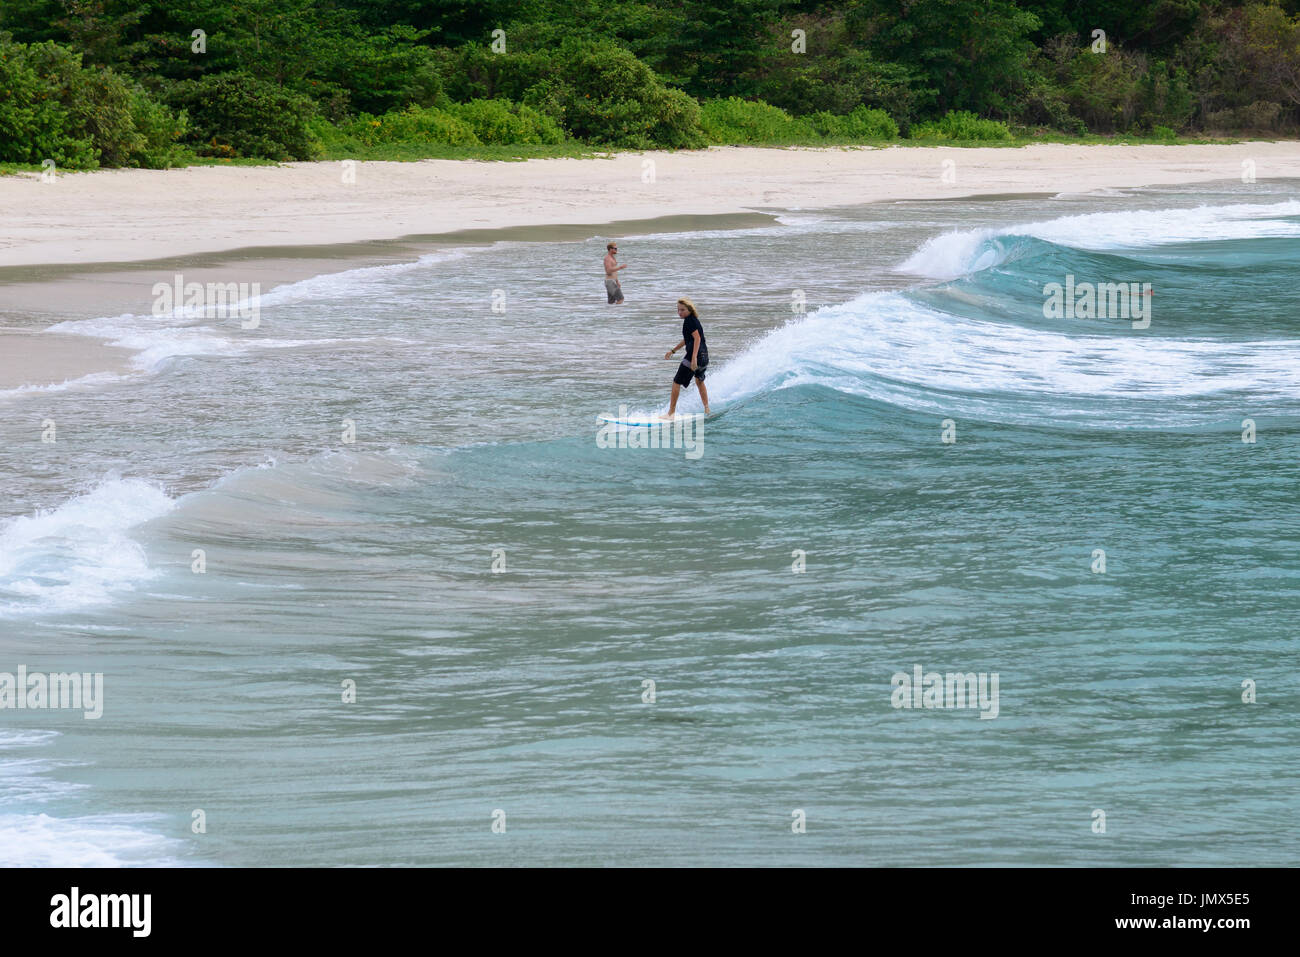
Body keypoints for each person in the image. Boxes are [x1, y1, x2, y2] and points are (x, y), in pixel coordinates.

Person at [664, 297, 711, 417]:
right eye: (678, 310)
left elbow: (697, 338)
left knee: (676, 381)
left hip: (694, 357)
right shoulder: (693, 320)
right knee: (699, 381)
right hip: (704, 356)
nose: (680, 312)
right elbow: (687, 339)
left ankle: (671, 414)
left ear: (689, 309)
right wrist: (673, 351)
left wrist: (694, 357)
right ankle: (707, 409)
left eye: (682, 310)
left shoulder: (689, 321)